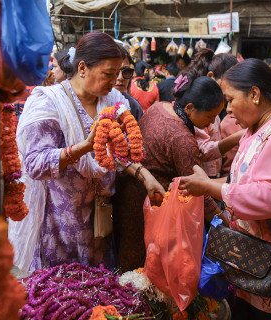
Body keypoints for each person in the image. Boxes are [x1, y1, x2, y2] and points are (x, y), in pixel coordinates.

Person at [178, 58, 271, 319]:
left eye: (230, 99)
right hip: (260, 260)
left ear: (255, 94)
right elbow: (242, 184)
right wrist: (204, 185)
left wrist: (208, 187)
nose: (227, 110)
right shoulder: (257, 128)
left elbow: (269, 198)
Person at [8, 31, 164, 274]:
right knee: (60, 294)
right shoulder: (49, 102)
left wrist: (145, 176)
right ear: (82, 68)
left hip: (99, 220)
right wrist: (85, 147)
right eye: (108, 73)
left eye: (120, 73)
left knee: (97, 290)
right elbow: (34, 164)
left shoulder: (112, 100)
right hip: (59, 223)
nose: (116, 81)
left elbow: (119, 151)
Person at [113, 76, 226, 271]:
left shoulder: (161, 107)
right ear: (190, 108)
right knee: (142, 266)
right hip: (149, 204)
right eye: (208, 117)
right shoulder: (182, 138)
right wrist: (225, 224)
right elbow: (201, 193)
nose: (209, 124)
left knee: (126, 257)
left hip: (127, 192)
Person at [114, 46, 143, 121]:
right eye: (115, 71)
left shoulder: (133, 105)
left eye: (126, 71)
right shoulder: (94, 101)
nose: (120, 78)